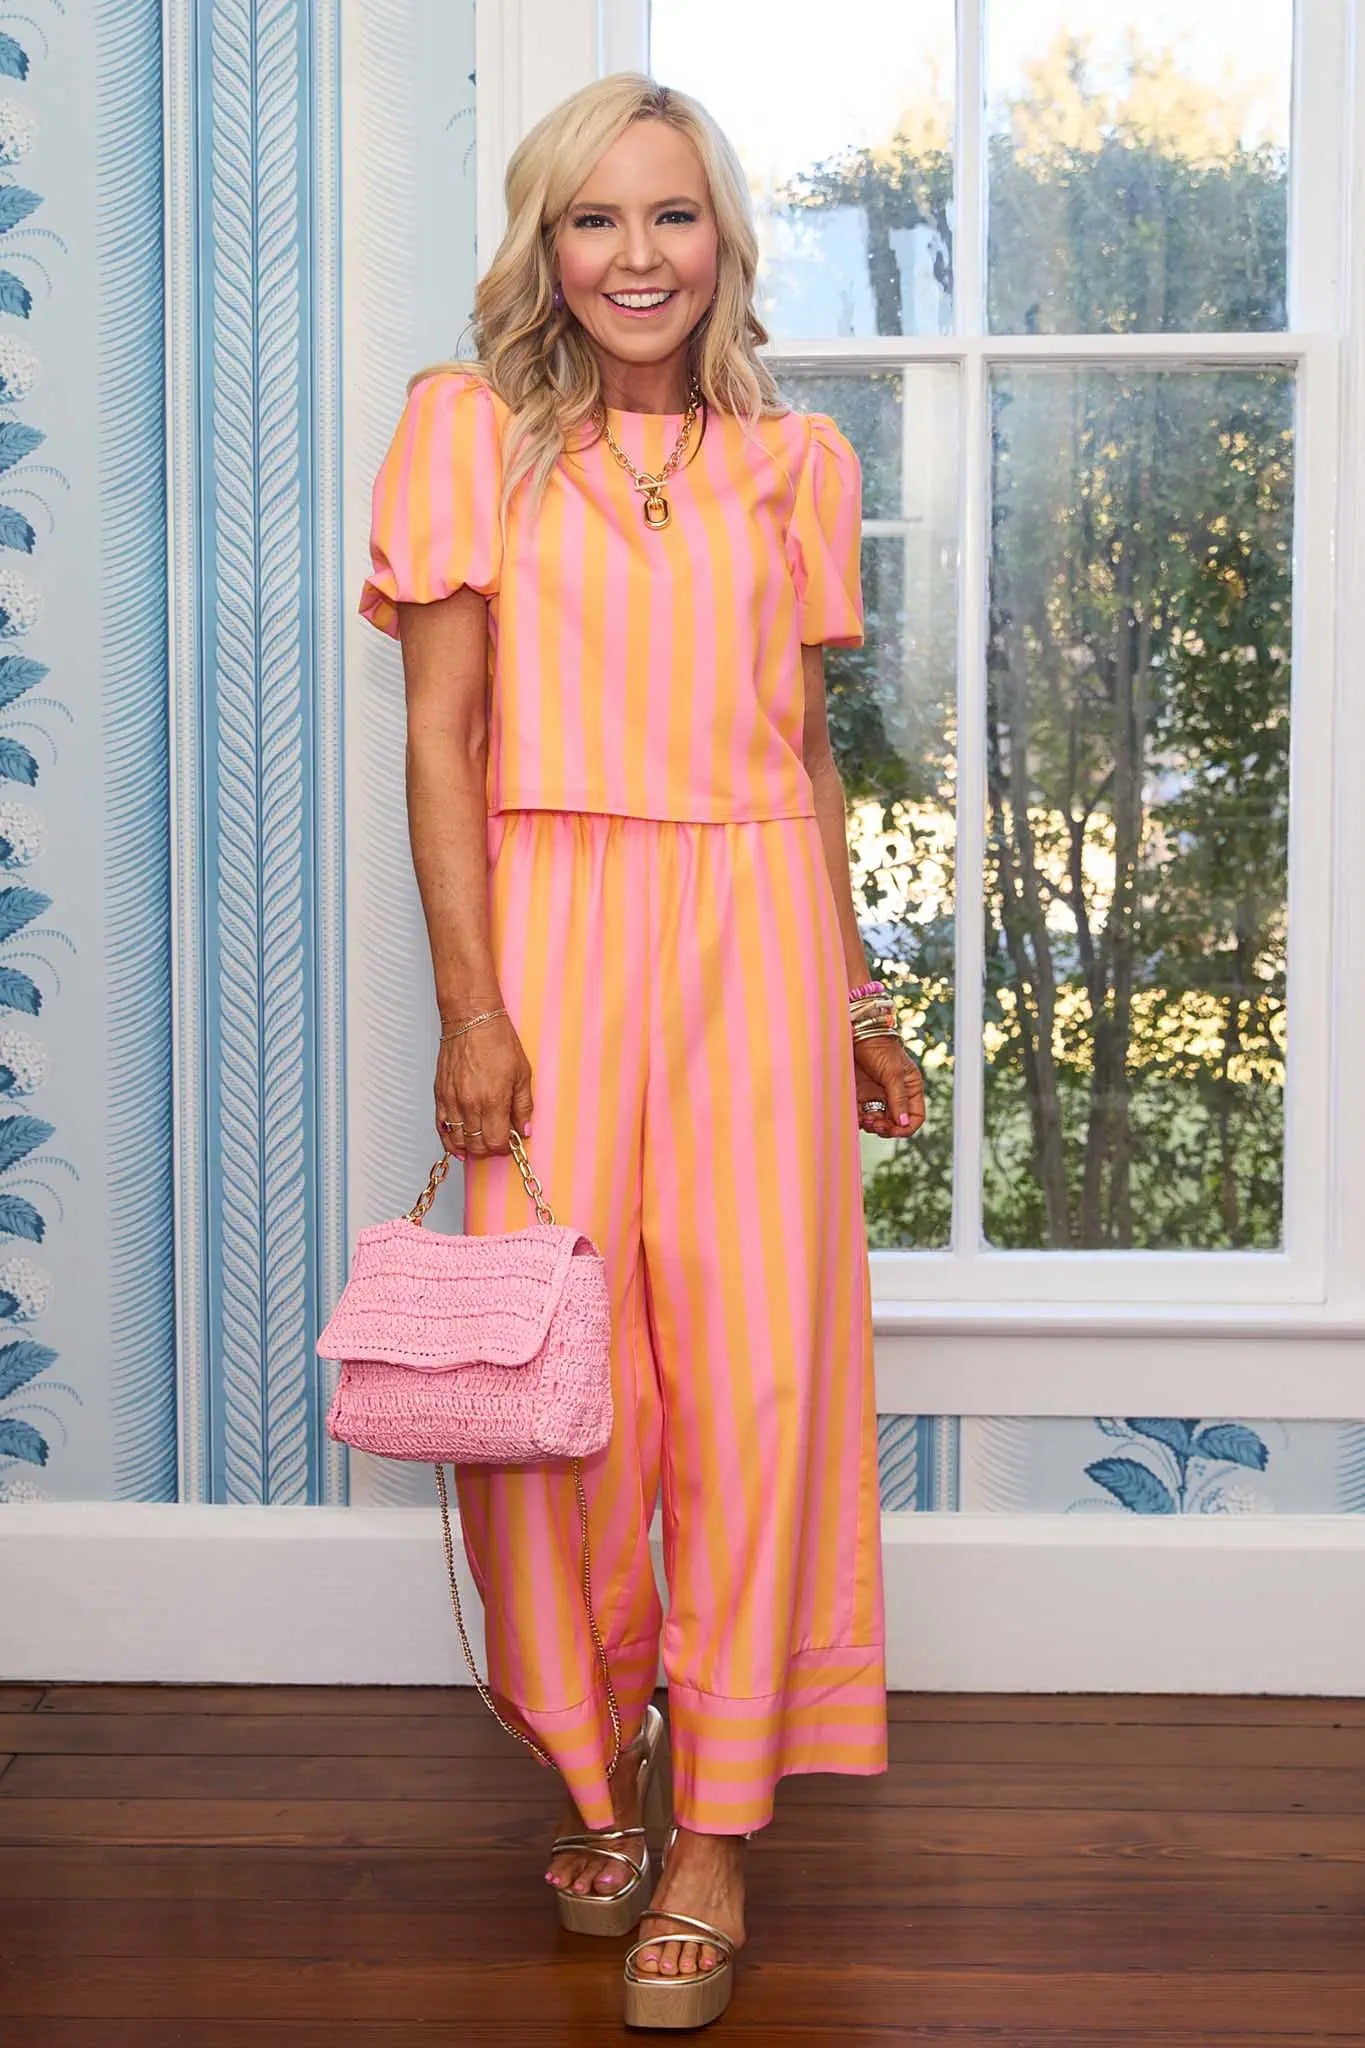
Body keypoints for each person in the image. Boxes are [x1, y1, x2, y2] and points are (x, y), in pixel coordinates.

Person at [359, 69, 925, 2032]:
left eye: (669, 214)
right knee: (556, 1386)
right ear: (545, 246)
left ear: (722, 241)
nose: (634, 256)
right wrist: (472, 1006)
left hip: (756, 939)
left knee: (761, 1385)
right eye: (592, 218)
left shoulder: (794, 463)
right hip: (549, 937)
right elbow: (439, 742)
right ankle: (597, 1776)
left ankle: (716, 1831)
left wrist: (856, 998)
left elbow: (803, 759)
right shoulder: (463, 435)